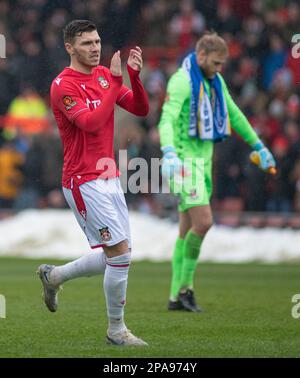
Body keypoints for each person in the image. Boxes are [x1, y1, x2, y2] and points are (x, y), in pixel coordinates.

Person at [37, 20, 149, 346]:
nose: (95, 48)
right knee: (120, 254)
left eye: (97, 41)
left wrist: (134, 78)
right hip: (82, 180)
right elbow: (89, 122)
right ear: (69, 47)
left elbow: (140, 109)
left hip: (108, 175)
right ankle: (116, 331)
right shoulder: (63, 85)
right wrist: (115, 82)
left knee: (118, 254)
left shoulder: (103, 76)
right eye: (87, 43)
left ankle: (54, 276)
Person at [158, 32, 276, 312]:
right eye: (217, 63)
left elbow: (234, 113)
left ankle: (176, 296)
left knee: (186, 229)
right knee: (204, 222)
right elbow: (167, 118)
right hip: (185, 164)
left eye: (222, 64)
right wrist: (169, 151)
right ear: (201, 56)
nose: (220, 69)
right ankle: (186, 289)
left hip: (204, 161)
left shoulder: (214, 81)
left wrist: (259, 145)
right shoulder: (182, 81)